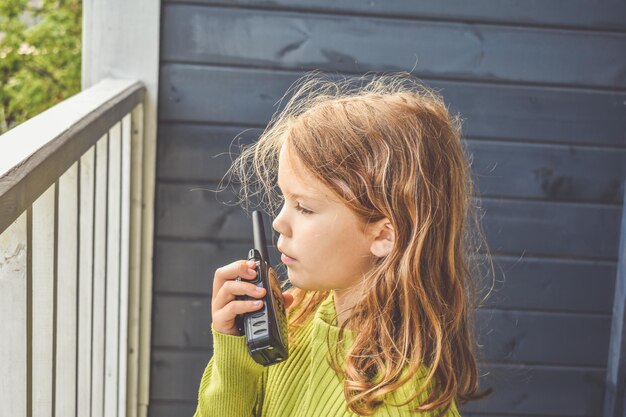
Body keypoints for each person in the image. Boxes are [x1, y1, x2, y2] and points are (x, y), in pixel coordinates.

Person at [193, 71, 493, 417]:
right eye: (284, 199)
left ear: (383, 235)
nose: (278, 221)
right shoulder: (298, 320)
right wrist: (236, 358)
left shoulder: (398, 403)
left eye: (304, 207)